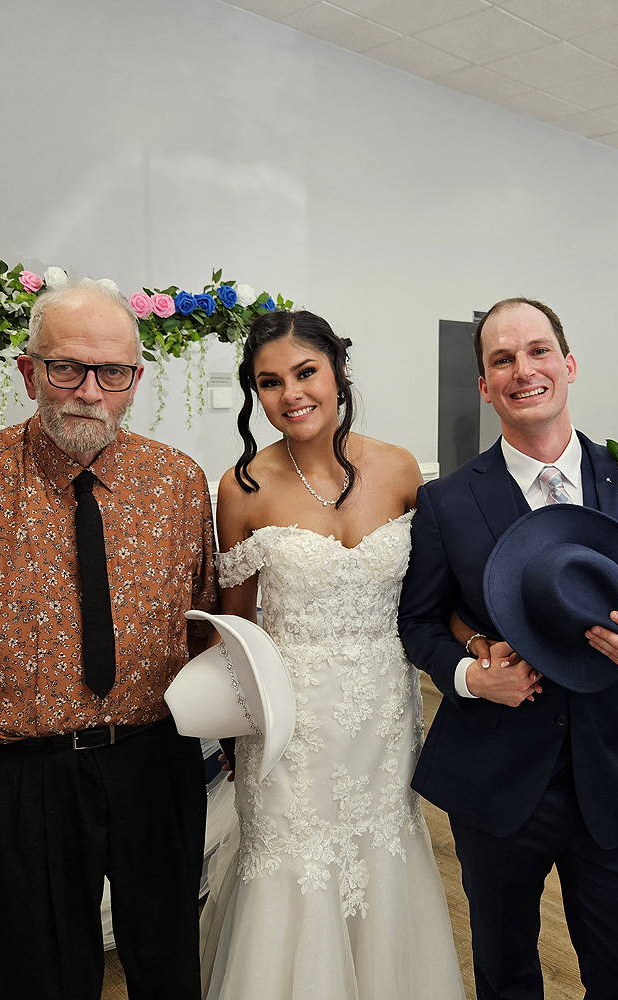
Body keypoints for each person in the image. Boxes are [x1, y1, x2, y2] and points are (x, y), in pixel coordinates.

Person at [398, 297, 618, 1000]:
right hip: (497, 777)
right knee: (505, 975)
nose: (523, 370)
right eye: (502, 359)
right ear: (485, 385)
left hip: (617, 775)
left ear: (568, 364)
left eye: (538, 351)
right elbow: (418, 621)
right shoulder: (447, 501)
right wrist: (471, 676)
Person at [0, 279, 218, 1000]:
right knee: (33, 979)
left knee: (168, 968)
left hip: (154, 763)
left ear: (135, 381)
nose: (89, 391)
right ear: (30, 372)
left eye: (111, 372)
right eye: (67, 368)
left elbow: (207, 625)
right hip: (20, 776)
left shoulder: (179, 483)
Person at [208, 309, 465, 1000]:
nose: (290, 394)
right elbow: (235, 628)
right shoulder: (243, 487)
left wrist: (478, 651)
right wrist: (238, 726)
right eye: (270, 382)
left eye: (305, 372)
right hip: (289, 725)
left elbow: (433, 598)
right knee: (295, 866)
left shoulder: (400, 467)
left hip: (384, 711)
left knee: (383, 849)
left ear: (338, 372)